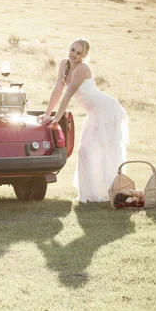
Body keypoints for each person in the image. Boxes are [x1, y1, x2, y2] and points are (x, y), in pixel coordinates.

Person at [39, 38, 129, 202]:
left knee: (107, 151)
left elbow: (68, 94)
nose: (74, 54)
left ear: (84, 56)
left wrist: (56, 118)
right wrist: (47, 114)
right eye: (72, 50)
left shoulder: (82, 69)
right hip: (93, 114)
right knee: (85, 151)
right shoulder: (63, 65)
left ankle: (114, 191)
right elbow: (58, 90)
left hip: (107, 111)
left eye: (78, 53)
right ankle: (90, 194)